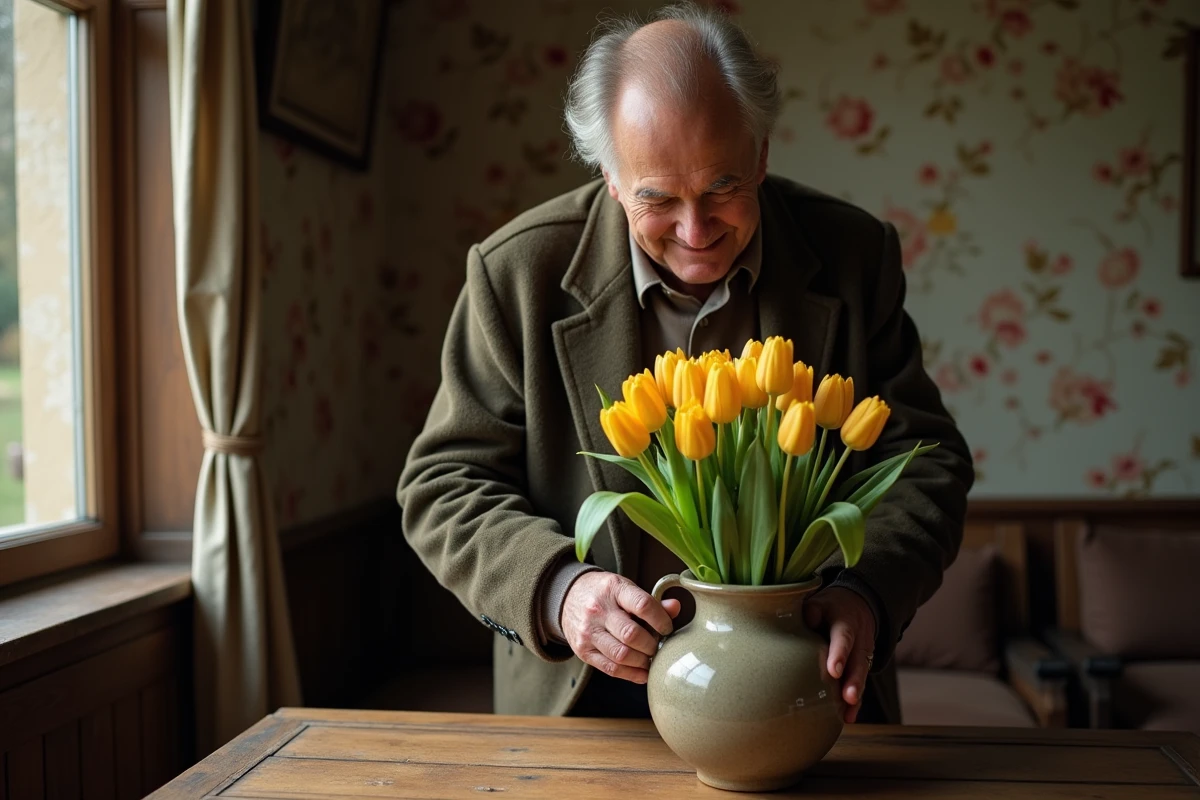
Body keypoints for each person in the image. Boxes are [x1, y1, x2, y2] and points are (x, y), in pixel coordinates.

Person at [396, 2, 973, 724]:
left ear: (760, 155)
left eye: (723, 187)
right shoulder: (516, 274)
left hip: (802, 679)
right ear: (610, 176)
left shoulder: (855, 257)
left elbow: (927, 462)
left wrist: (865, 594)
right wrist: (560, 591)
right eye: (658, 199)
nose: (696, 231)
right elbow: (443, 482)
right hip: (587, 688)